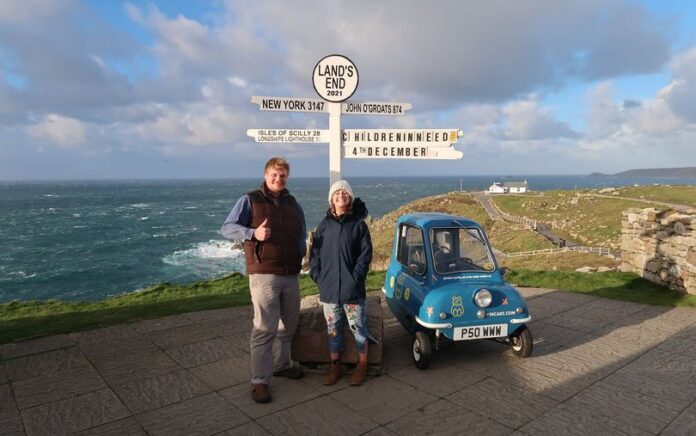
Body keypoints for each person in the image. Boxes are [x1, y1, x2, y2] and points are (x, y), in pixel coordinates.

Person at [221, 157, 306, 404]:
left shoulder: (293, 203)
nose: (278, 179)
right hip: (264, 274)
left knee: (288, 326)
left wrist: (302, 253)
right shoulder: (250, 200)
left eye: (283, 175)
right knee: (264, 329)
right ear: (266, 175)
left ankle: (280, 366)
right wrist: (252, 233)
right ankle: (259, 381)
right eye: (274, 175)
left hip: (290, 274)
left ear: (287, 177)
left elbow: (301, 232)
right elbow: (227, 228)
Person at [310, 180, 374, 386]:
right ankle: (335, 365)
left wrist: (355, 278)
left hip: (352, 290)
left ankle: (362, 365)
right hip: (328, 290)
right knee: (333, 330)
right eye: (336, 194)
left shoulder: (358, 226)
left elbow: (365, 256)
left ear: (350, 198)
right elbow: (315, 253)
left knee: (359, 329)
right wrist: (317, 276)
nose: (341, 196)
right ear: (331, 200)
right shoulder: (324, 225)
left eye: (345, 194)